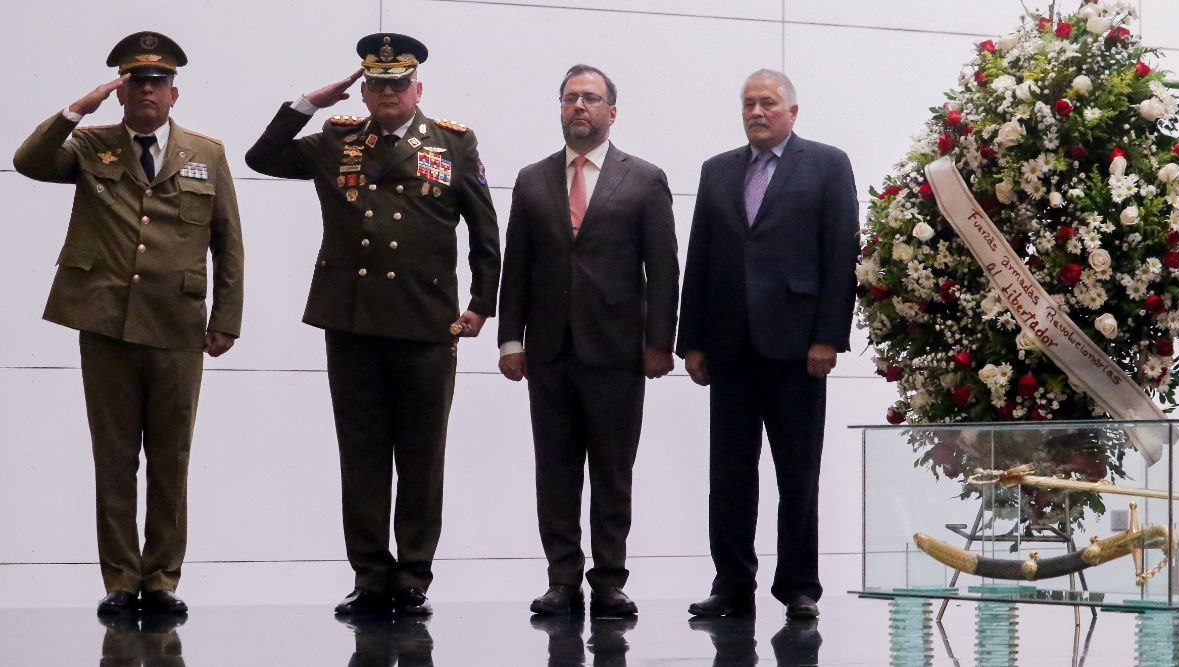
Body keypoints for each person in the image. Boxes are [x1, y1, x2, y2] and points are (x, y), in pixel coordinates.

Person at [244, 32, 501, 616]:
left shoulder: (454, 144)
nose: (387, 93)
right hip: (353, 323)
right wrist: (309, 103)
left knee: (420, 456)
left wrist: (482, 305)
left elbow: (486, 234)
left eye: (397, 84)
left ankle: (412, 575)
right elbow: (261, 158)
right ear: (363, 90)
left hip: (427, 323)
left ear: (417, 88)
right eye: (376, 84)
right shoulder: (335, 142)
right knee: (360, 455)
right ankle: (368, 573)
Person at [13, 31, 244, 616]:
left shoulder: (206, 153)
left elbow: (228, 242)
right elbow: (29, 162)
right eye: (135, 81)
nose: (147, 90)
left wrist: (227, 319)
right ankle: (120, 577)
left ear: (174, 93)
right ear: (121, 92)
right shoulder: (91, 144)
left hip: (177, 326)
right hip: (106, 322)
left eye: (157, 82)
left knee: (171, 457)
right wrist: (74, 110)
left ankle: (162, 578)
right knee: (114, 456)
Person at [497, 64, 679, 617]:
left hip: (618, 352)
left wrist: (659, 342)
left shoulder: (644, 178)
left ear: (611, 112)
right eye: (571, 98)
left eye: (592, 99)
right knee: (554, 470)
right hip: (549, 351)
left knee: (611, 470)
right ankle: (561, 579)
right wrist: (510, 340)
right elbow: (517, 265)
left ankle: (609, 581)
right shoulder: (532, 179)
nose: (580, 107)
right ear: (559, 108)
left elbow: (664, 269)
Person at [677, 69, 858, 619]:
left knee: (798, 472)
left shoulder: (827, 164)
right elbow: (700, 259)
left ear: (793, 112)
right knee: (729, 475)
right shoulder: (717, 171)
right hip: (730, 347)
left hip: (798, 347)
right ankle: (732, 584)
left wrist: (828, 336)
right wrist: (692, 341)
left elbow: (840, 257)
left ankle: (799, 585)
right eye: (748, 104)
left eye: (768, 103)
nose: (757, 112)